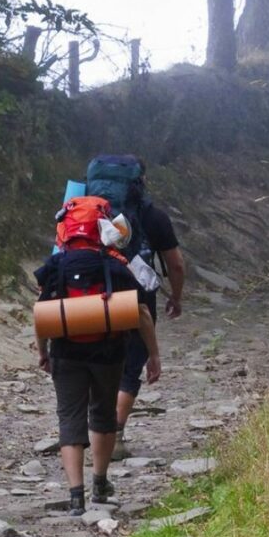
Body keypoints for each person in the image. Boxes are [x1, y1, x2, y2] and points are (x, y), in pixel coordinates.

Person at [35, 247, 160, 515]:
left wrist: (42, 351)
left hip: (65, 354)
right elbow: (142, 313)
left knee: (69, 418)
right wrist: (153, 355)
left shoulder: (56, 266)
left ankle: (76, 496)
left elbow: (42, 310)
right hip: (109, 352)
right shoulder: (116, 265)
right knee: (103, 414)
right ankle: (100, 484)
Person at [112, 161, 185, 460]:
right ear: (140, 181)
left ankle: (85, 431)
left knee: (94, 362)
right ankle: (114, 436)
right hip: (136, 301)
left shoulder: (86, 212)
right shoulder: (153, 217)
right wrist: (176, 297)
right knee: (130, 367)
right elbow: (176, 264)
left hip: (87, 300)